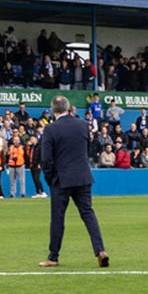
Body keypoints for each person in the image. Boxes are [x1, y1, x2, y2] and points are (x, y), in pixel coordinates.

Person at [37, 95, 108, 268]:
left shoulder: (50, 129)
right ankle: (100, 250)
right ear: (68, 108)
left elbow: (46, 159)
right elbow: (87, 149)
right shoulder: (83, 125)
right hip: (83, 176)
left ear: (53, 110)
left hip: (61, 179)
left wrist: (50, 179)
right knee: (88, 214)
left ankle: (53, 257)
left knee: (58, 218)